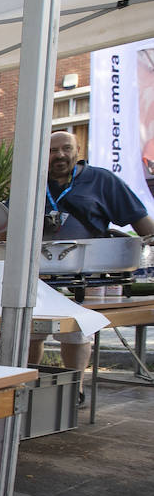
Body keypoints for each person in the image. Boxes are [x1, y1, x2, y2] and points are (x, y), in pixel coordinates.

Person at [27, 131, 154, 372]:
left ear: (77, 151)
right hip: (38, 275)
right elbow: (6, 227)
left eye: (66, 148)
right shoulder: (32, 181)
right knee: (30, 332)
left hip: (86, 277)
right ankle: (26, 384)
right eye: (53, 150)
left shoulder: (103, 180)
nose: (60, 155)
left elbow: (143, 225)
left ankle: (76, 388)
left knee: (77, 333)